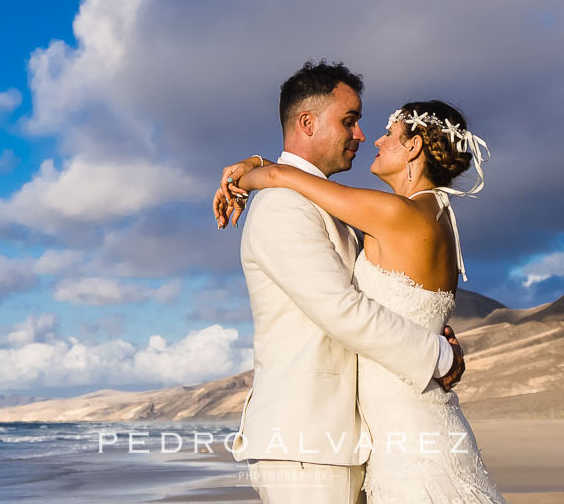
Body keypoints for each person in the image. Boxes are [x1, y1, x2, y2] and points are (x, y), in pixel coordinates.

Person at [218, 72, 509, 504]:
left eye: (376, 127)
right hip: (307, 444)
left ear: (414, 147)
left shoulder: (364, 209)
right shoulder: (284, 208)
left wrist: (259, 167)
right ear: (307, 123)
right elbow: (343, 310)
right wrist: (438, 354)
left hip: (359, 441)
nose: (364, 135)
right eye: (350, 120)